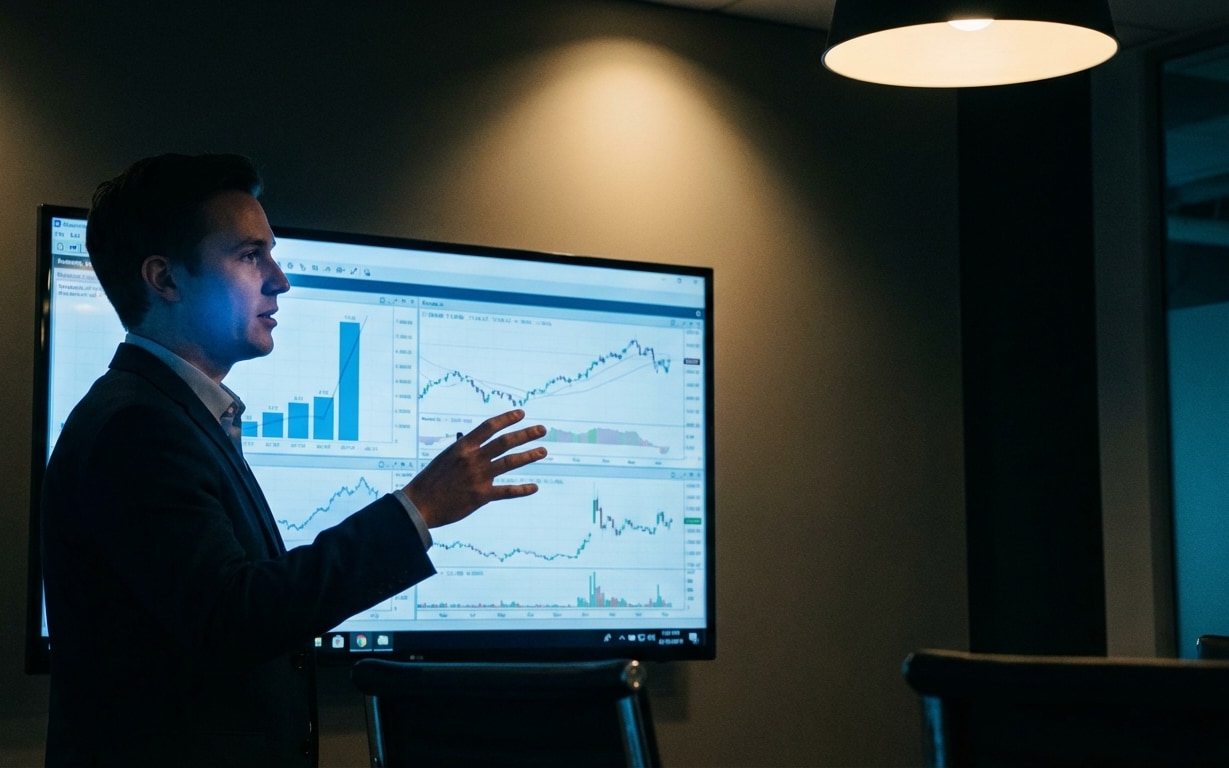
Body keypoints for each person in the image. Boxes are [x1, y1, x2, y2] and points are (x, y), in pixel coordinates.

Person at [40, 153, 548, 767]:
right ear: (165, 280)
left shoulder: (178, 413)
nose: (280, 280)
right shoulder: (137, 426)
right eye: (251, 255)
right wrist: (416, 511)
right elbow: (231, 616)